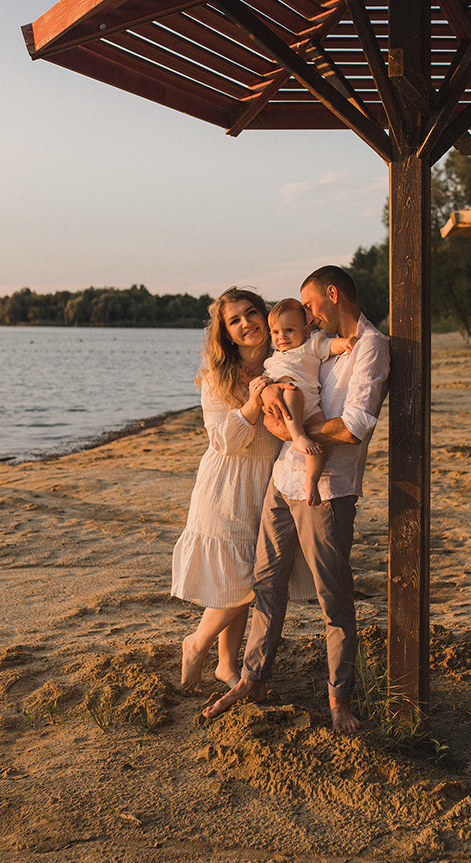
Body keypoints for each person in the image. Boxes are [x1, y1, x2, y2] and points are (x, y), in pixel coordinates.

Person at [203, 265, 390, 732]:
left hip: (327, 493)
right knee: (266, 583)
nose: (306, 316)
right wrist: (281, 419)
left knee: (333, 598)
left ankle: (339, 699)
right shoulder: (315, 345)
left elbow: (353, 428)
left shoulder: (371, 346)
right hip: (281, 482)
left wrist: (295, 429)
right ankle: (252, 678)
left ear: (331, 295)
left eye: (309, 306)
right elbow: (275, 412)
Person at [171, 287, 312, 694]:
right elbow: (224, 442)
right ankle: (195, 644)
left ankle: (226, 665)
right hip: (227, 486)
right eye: (235, 320)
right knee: (240, 583)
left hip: (267, 483)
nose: (246, 323)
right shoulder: (218, 377)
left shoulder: (281, 360)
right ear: (226, 332)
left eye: (251, 313)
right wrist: (251, 404)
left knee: (247, 578)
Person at [263, 297, 357, 507]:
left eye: (289, 330)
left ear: (306, 331)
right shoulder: (274, 356)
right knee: (291, 391)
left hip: (310, 404)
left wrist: (346, 343)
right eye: (276, 332)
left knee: (320, 443)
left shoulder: (311, 344)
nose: (282, 337)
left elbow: (330, 345)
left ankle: (311, 481)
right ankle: (297, 436)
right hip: (289, 403)